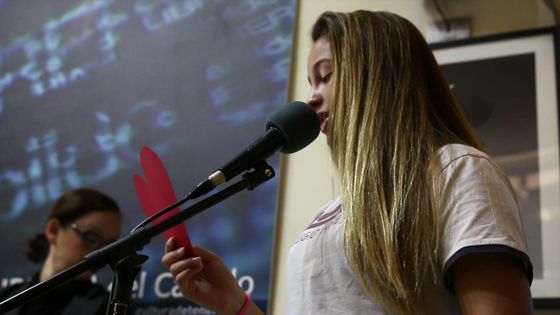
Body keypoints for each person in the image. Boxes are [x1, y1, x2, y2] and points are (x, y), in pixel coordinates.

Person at [161, 10, 534, 315]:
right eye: (311, 83)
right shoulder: (331, 211)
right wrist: (234, 304)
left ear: (379, 74)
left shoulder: (457, 169)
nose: (311, 98)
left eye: (325, 76)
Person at [0, 188, 122, 315]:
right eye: (91, 237)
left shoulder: (108, 308)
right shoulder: (7, 296)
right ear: (54, 230)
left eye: (109, 244)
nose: (100, 251)